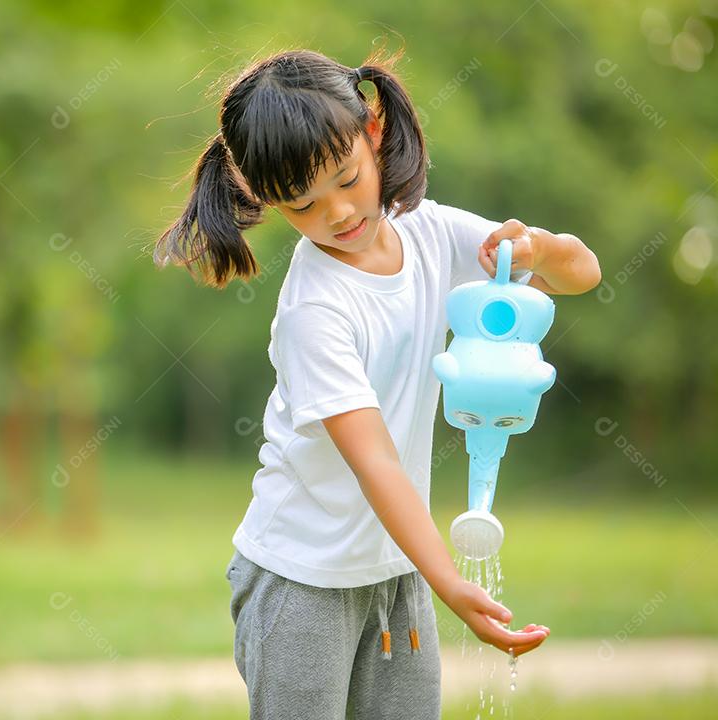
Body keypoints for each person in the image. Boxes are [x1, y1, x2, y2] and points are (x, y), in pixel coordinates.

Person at [153, 48, 601, 719]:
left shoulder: (432, 235)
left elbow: (581, 274)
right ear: (264, 199)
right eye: (303, 204)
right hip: (301, 579)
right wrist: (448, 580)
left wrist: (536, 249)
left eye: (346, 178)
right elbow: (374, 461)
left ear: (373, 132)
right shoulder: (317, 308)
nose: (337, 212)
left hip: (395, 571)